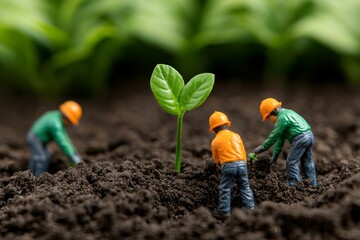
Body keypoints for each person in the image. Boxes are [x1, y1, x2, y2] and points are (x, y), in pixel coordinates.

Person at [254, 98, 317, 187]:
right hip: (309, 135)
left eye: (268, 117)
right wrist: (275, 156)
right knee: (307, 161)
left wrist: (263, 147)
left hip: (300, 138)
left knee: (291, 162)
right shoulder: (288, 112)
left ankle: (294, 185)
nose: (270, 119)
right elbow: (280, 138)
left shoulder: (282, 118)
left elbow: (275, 135)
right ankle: (313, 184)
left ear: (273, 111)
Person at [209, 111, 255, 219]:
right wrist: (244, 163)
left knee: (225, 188)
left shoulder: (216, 141)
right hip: (242, 164)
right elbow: (243, 151)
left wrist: (218, 165)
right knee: (245, 187)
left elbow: (216, 159)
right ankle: (250, 208)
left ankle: (224, 211)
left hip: (228, 165)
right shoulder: (236, 136)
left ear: (214, 129)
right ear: (226, 124)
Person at [27, 101, 83, 178]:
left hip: (38, 137)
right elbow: (62, 141)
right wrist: (71, 155)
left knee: (44, 157)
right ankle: (36, 178)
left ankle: (30, 174)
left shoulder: (56, 116)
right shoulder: (56, 124)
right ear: (67, 119)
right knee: (41, 158)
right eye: (70, 122)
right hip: (35, 138)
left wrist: (73, 152)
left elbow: (65, 138)